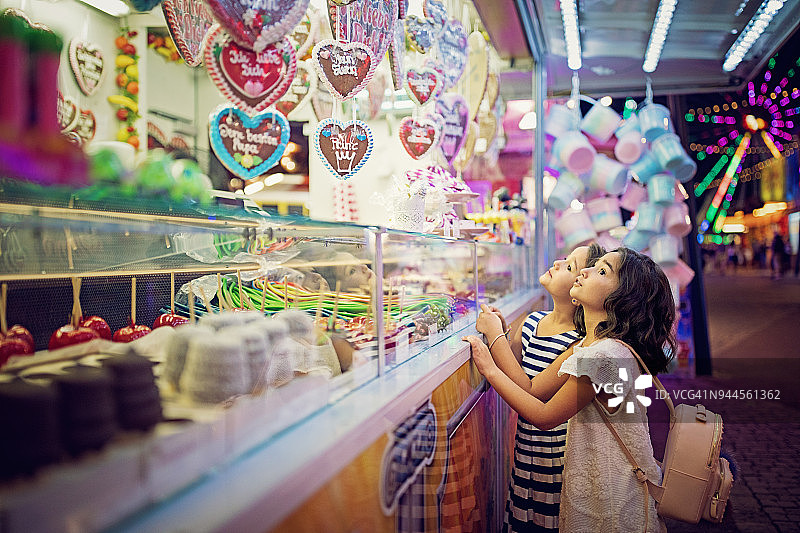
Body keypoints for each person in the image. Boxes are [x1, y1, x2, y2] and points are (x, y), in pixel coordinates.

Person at [464, 248, 676, 533]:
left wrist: (490, 369)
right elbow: (534, 388)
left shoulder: (603, 356)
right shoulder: (595, 346)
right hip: (602, 486)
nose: (584, 271)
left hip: (612, 497)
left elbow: (544, 416)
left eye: (602, 271)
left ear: (622, 299)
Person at [480, 243, 604, 532]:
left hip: (555, 459)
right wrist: (502, 332)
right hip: (525, 448)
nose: (558, 263)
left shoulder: (578, 343)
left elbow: (532, 389)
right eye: (565, 258)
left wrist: (495, 338)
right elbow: (513, 366)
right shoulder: (532, 321)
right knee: (523, 518)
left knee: (548, 521)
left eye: (570, 266)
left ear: (578, 293)